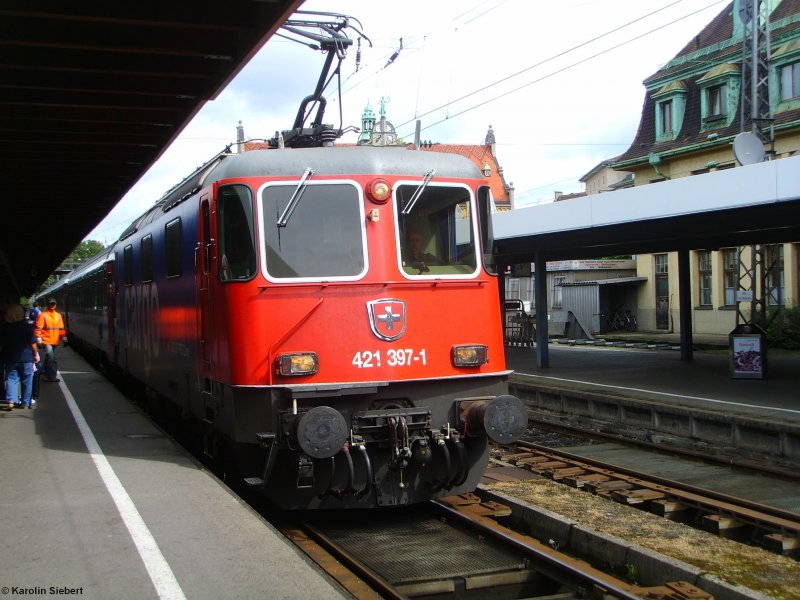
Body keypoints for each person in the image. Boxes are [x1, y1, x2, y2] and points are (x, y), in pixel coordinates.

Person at [0, 304, 39, 410]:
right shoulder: (27, 326)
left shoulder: (4, 328)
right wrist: (35, 354)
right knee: (27, 380)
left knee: (12, 379)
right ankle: (25, 403)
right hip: (26, 358)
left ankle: (11, 401)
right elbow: (33, 342)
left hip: (10, 357)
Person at [34, 297, 66, 383]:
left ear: (55, 305)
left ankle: (44, 372)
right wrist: (39, 338)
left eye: (53, 304)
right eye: (50, 304)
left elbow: (61, 328)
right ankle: (52, 376)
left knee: (49, 358)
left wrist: (64, 337)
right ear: (47, 305)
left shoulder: (58, 316)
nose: (52, 305)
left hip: (55, 341)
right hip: (46, 340)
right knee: (52, 358)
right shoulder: (43, 315)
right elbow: (38, 328)